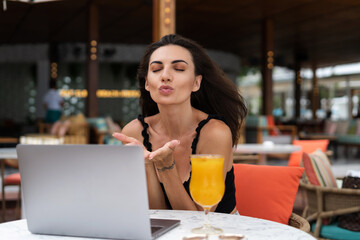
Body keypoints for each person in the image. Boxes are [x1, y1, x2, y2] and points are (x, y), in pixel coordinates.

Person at [113, 34, 247, 213]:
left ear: (196, 83)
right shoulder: (134, 132)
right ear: (147, 83)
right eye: (156, 69)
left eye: (179, 69)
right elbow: (157, 215)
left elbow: (200, 219)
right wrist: (147, 165)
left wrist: (165, 166)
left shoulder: (215, 132)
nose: (165, 76)